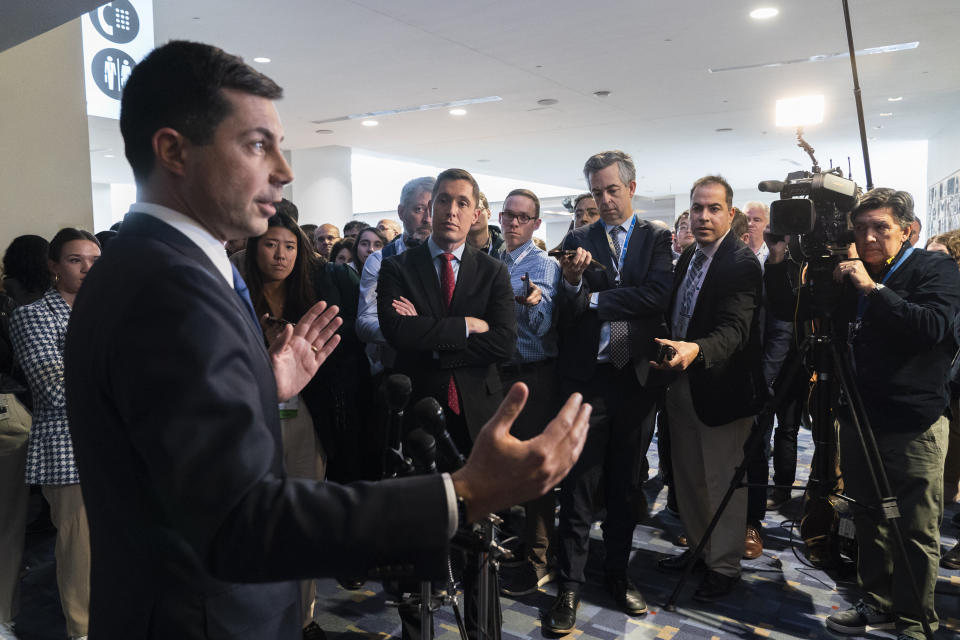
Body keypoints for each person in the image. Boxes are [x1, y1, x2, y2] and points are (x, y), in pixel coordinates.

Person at [63, 41, 590, 640]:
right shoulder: (167, 288)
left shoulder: (163, 263)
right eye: (259, 146)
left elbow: (182, 463)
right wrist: (461, 493)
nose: (285, 171)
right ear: (173, 151)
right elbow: (242, 521)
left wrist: (264, 381)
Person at [785, 188, 958, 640]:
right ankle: (877, 602)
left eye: (881, 227)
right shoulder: (848, 275)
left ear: (906, 230)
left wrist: (873, 289)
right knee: (866, 517)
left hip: (913, 422)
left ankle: (916, 620)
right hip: (859, 417)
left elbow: (933, 329)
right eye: (861, 229)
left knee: (916, 528)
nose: (870, 236)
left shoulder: (933, 268)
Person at [547, 150, 673, 633]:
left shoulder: (656, 237)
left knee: (625, 485)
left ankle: (617, 574)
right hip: (590, 379)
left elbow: (656, 296)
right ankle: (570, 586)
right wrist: (573, 285)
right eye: (597, 192)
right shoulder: (578, 238)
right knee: (579, 486)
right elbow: (567, 308)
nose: (604, 200)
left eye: (611, 190)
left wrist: (592, 296)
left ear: (631, 188)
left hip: (636, 379)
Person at [652, 175, 764, 603]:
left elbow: (735, 330)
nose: (703, 216)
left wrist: (695, 349)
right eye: (697, 207)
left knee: (721, 482)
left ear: (730, 215)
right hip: (680, 382)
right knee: (689, 479)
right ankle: (700, 550)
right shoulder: (689, 258)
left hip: (721, 390)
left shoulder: (740, 262)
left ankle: (725, 566)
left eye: (713, 208)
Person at [10, 228, 101, 640]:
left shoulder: (112, 309)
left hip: (123, 446)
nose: (86, 269)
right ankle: (81, 632)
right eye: (75, 260)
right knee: (79, 552)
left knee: (120, 547)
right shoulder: (34, 315)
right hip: (68, 449)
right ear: (53, 265)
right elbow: (55, 388)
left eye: (95, 261)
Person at [242, 210, 329, 639]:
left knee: (303, 516)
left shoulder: (309, 295)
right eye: (272, 244)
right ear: (254, 247)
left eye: (291, 246)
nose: (281, 255)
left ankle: (304, 615)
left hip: (305, 418)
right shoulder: (235, 297)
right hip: (253, 420)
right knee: (258, 519)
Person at [492, 189, 563, 597]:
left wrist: (534, 302)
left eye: (523, 217)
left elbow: (542, 324)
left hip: (533, 376)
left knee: (536, 468)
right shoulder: (492, 262)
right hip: (497, 376)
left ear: (537, 223)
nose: (514, 223)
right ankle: (516, 544)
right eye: (509, 216)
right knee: (503, 463)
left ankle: (539, 559)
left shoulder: (544, 265)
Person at [0, 234, 50, 639]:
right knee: (9, 523)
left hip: (15, 415)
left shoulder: (18, 308)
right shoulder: (36, 311)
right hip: (12, 413)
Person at [356, 176, 435, 379]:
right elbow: (364, 322)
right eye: (419, 209)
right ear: (401, 212)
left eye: (433, 210)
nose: (427, 219)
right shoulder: (380, 260)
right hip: (393, 370)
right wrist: (404, 330)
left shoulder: (450, 259)